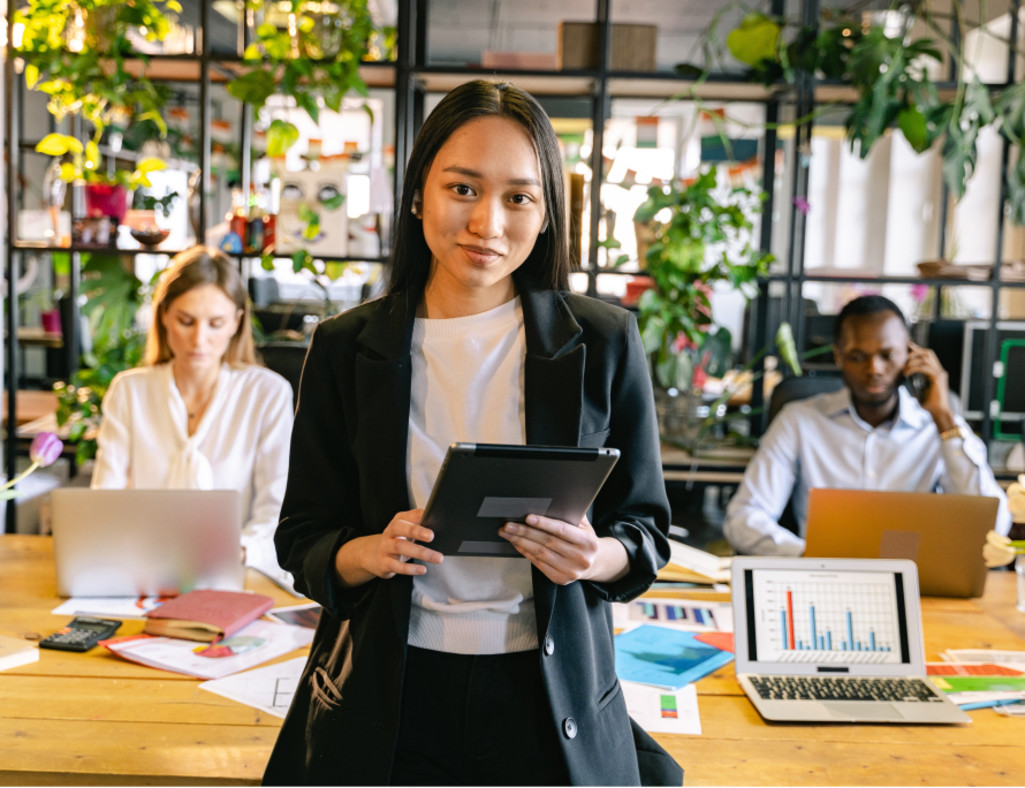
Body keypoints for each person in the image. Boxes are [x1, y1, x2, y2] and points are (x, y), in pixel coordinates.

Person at [263, 80, 681, 786]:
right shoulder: (345, 346)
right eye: (462, 188)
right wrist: (366, 552)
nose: (487, 221)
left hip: (546, 701)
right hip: (391, 697)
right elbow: (302, 539)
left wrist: (594, 556)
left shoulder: (604, 342)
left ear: (547, 214)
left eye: (518, 197)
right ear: (418, 192)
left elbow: (645, 533)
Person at [724, 294, 1012, 555]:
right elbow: (744, 519)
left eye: (887, 355)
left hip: (917, 585)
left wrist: (945, 419)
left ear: (909, 354)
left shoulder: (938, 427)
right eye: (858, 356)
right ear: (838, 356)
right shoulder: (799, 421)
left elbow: (995, 529)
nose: (874, 369)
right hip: (822, 580)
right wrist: (810, 556)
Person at [91, 246, 296, 590]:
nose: (199, 339)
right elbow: (105, 501)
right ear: (164, 317)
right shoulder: (129, 391)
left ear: (236, 322)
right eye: (186, 321)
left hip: (236, 573)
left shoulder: (267, 394)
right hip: (142, 573)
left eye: (215, 323)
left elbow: (276, 509)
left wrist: (237, 549)